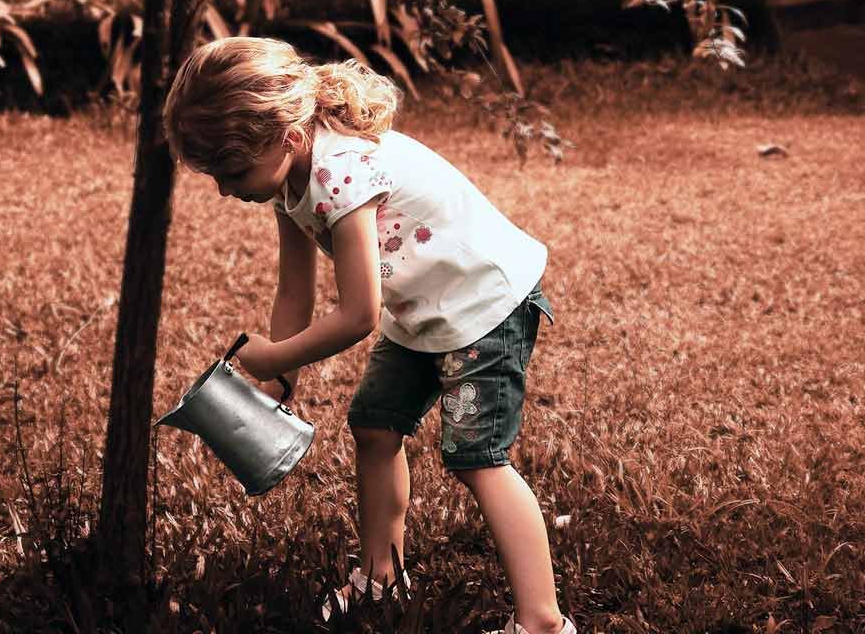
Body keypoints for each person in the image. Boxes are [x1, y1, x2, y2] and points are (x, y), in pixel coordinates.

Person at [163, 36, 575, 634]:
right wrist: (280, 377)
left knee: (476, 458)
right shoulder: (289, 176)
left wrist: (277, 351)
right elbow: (295, 292)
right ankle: (382, 576)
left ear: (288, 136)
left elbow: (358, 314)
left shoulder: (341, 174)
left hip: (483, 305)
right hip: (421, 310)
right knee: (375, 427)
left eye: (231, 171)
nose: (225, 189)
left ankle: (541, 620)